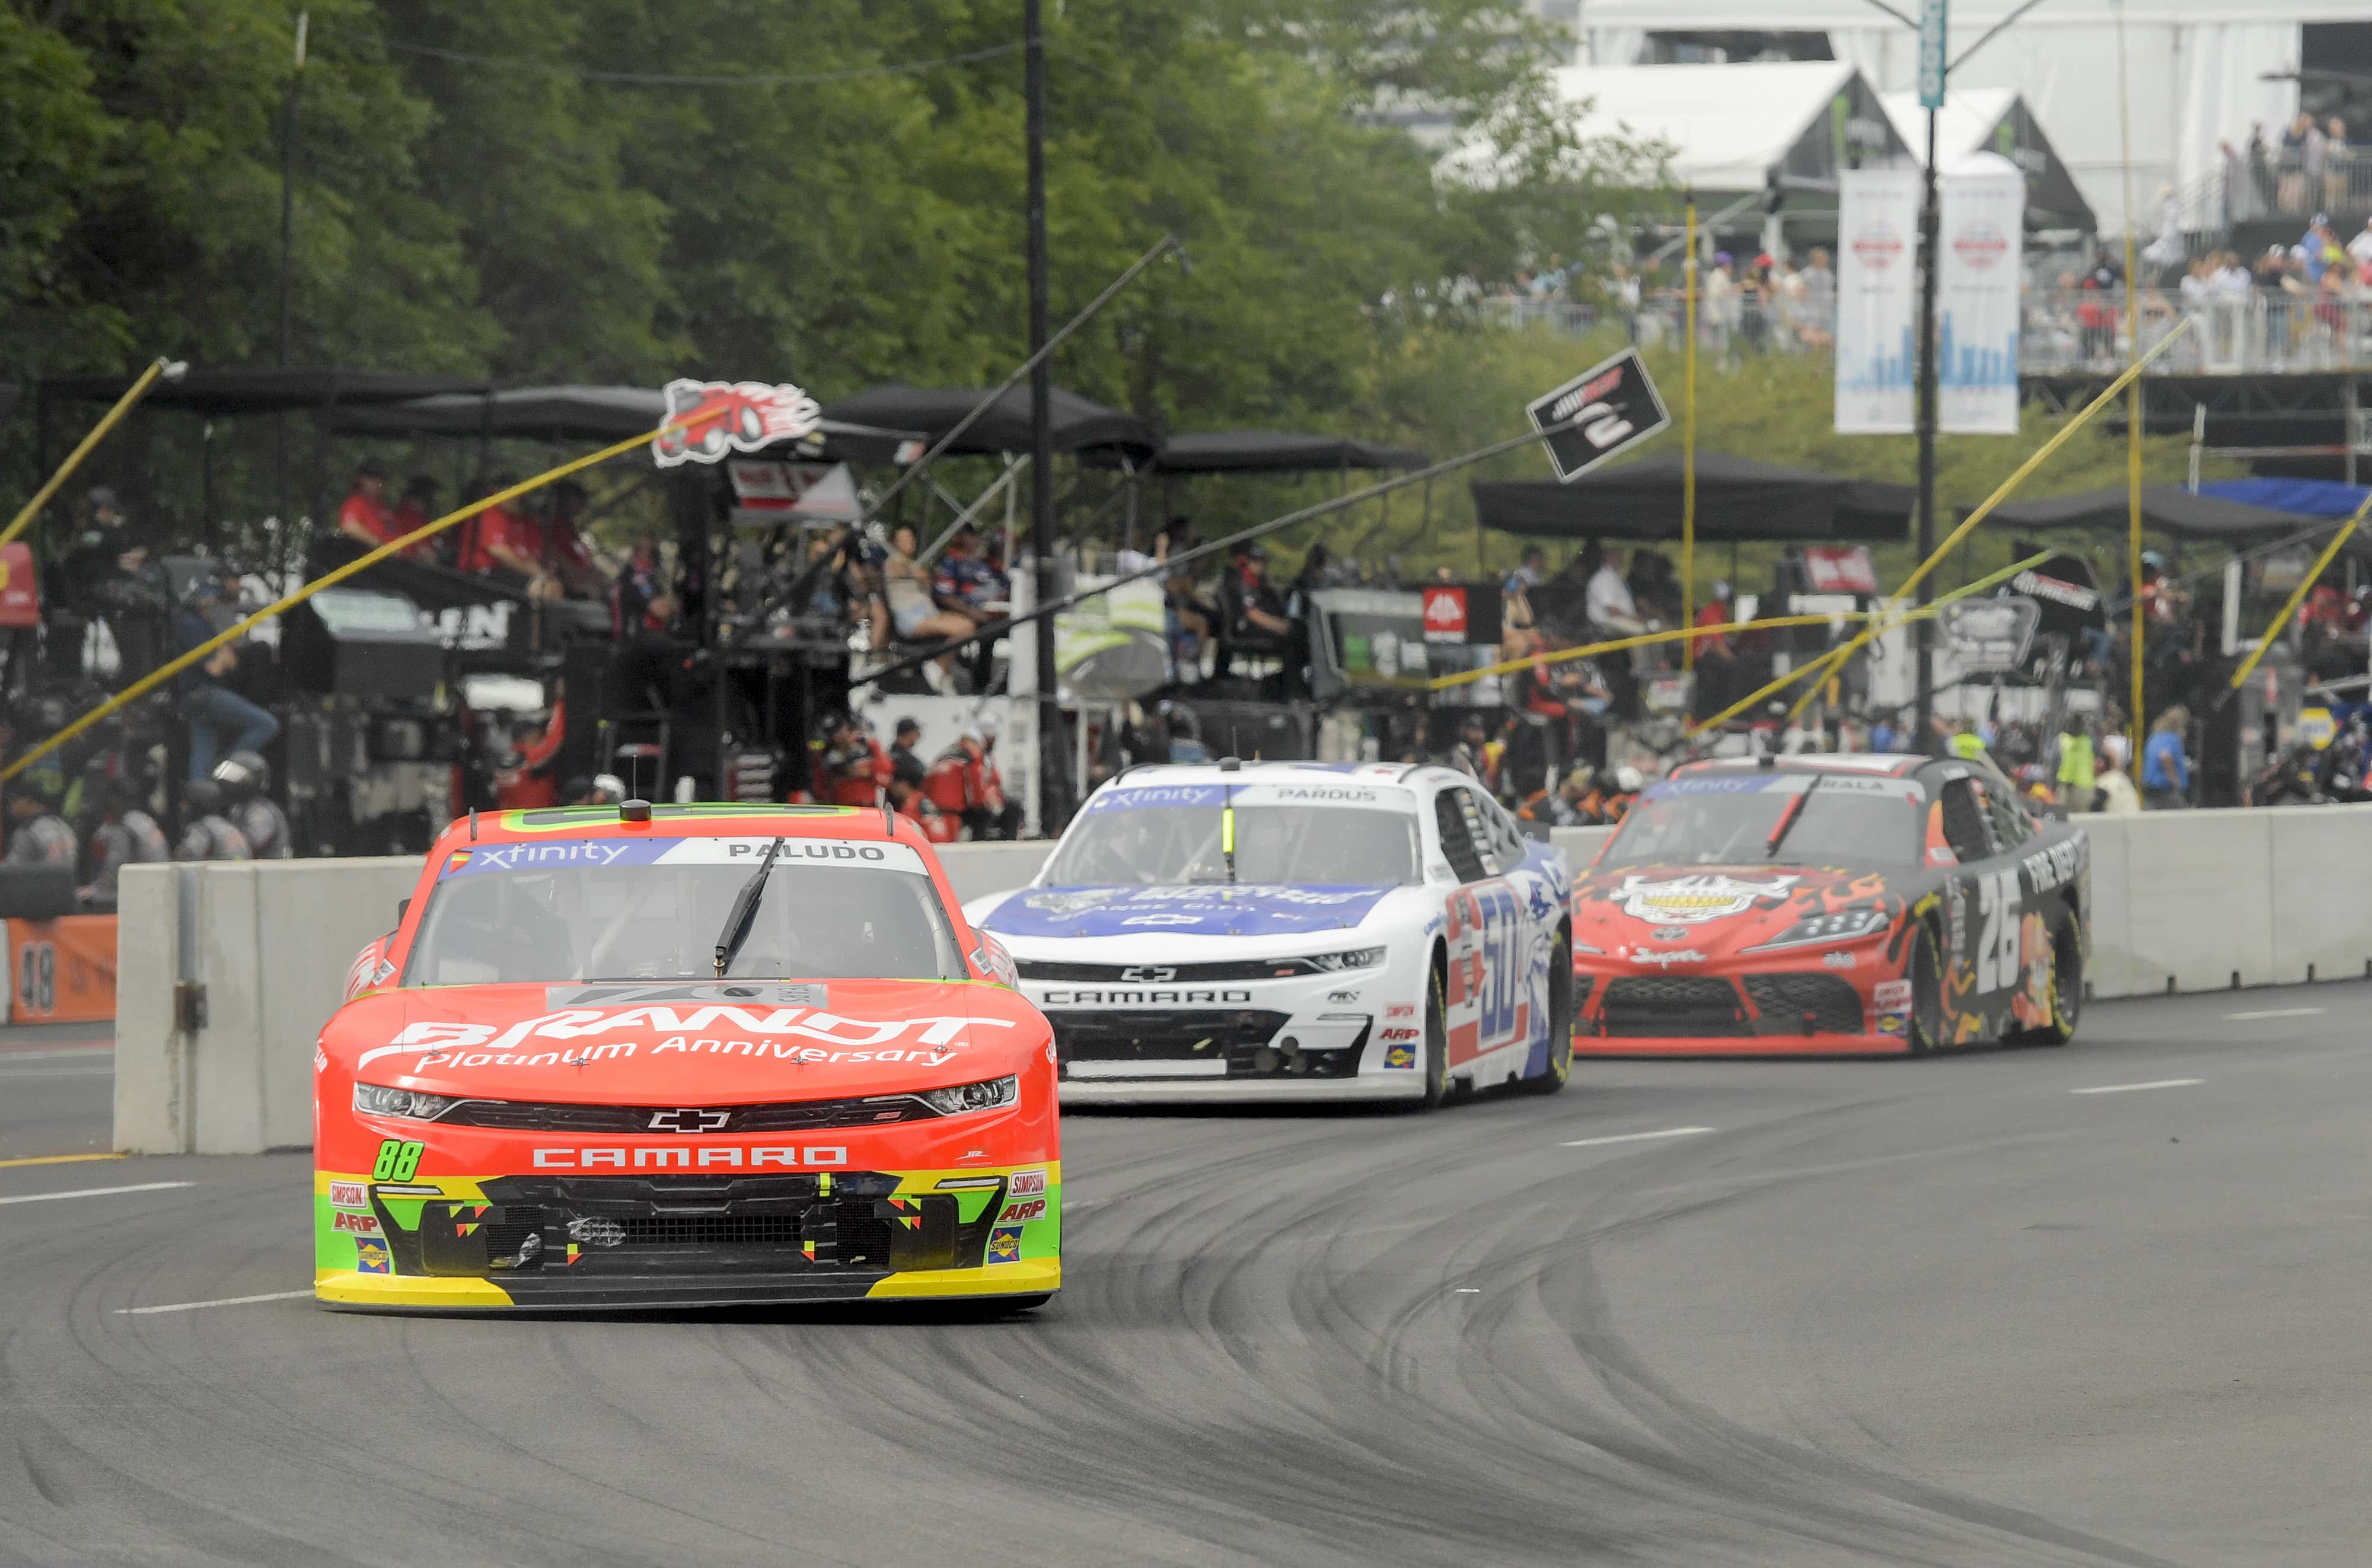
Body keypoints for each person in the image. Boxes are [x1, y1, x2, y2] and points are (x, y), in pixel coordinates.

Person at [172, 571, 279, 780]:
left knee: (201, 760)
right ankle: (222, 772)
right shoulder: (191, 624)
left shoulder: (201, 623)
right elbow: (216, 667)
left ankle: (200, 798)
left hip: (196, 697)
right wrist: (225, 655)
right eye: (207, 594)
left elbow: (230, 658)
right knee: (267, 725)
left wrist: (226, 654)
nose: (212, 599)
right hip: (203, 693)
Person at [923, 715, 1019, 840]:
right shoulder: (974, 755)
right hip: (956, 810)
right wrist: (990, 805)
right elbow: (977, 791)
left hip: (935, 809)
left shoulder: (946, 754)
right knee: (999, 812)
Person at [81, 776, 170, 907]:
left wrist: (93, 890)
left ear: (117, 799)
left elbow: (113, 873)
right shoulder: (144, 820)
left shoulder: (124, 828)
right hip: (160, 890)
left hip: (139, 896)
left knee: (80, 898)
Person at [211, 750, 292, 859]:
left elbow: (246, 844)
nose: (228, 784)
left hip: (269, 873)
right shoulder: (238, 808)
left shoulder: (261, 812)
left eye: (234, 778)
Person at [4, 764, 78, 868]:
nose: (11, 804)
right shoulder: (64, 826)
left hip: (39, 883)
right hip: (66, 884)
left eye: (14, 800)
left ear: (28, 801)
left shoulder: (28, 832)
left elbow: (10, 874)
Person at [174, 777, 251, 861]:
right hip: (241, 872)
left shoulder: (202, 828)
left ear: (197, 804)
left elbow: (186, 856)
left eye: (186, 804)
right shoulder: (230, 827)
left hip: (221, 873)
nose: (182, 807)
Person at [334, 459, 400, 549]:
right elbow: (350, 527)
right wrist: (381, 546)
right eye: (372, 478)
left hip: (399, 558)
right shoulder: (355, 503)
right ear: (361, 480)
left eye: (381, 479)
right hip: (373, 558)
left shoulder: (382, 507)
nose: (378, 483)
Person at [2141, 706, 2190, 809]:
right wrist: (2175, 781)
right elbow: (2165, 756)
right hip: (2165, 790)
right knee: (2183, 819)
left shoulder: (2155, 737)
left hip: (2149, 789)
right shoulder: (2172, 738)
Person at [2055, 713, 2097, 814]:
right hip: (2071, 785)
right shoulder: (2087, 741)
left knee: (2073, 818)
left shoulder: (2087, 741)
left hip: (2080, 785)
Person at [888, 716, 929, 794]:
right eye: (916, 733)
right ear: (907, 734)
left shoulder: (903, 755)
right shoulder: (897, 757)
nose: (918, 736)